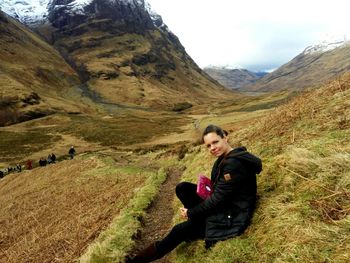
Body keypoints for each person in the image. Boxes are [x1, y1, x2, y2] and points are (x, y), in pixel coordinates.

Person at [127, 125, 262, 262]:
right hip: (226, 205)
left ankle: (135, 261)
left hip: (231, 216)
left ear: (225, 137)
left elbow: (217, 201)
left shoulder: (232, 165)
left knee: (178, 230)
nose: (212, 148)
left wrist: (191, 213)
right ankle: (196, 224)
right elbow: (223, 192)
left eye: (215, 142)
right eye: (208, 146)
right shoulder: (228, 157)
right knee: (183, 187)